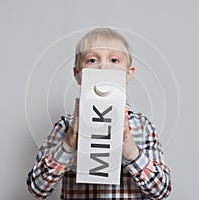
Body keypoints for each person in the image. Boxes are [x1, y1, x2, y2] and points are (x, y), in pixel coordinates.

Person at [26, 28, 171, 199]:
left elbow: (161, 191)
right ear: (77, 74)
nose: (103, 66)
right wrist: (68, 145)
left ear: (128, 74)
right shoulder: (65, 126)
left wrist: (131, 150)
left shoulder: (142, 127)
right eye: (92, 60)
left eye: (114, 59)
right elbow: (37, 188)